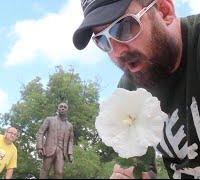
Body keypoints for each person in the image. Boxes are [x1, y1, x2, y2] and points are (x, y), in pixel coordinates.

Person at [73, 0, 200, 179]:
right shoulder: (128, 91)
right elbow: (145, 169)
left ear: (164, 11)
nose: (116, 52)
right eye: (102, 39)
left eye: (123, 27)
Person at [36, 102, 74, 179]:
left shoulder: (69, 125)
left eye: (65, 107)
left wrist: (70, 154)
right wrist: (40, 147)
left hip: (61, 151)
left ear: (67, 110)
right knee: (45, 170)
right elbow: (40, 133)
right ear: (58, 109)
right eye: (61, 106)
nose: (62, 108)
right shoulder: (49, 119)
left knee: (59, 172)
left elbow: (70, 141)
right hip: (49, 149)